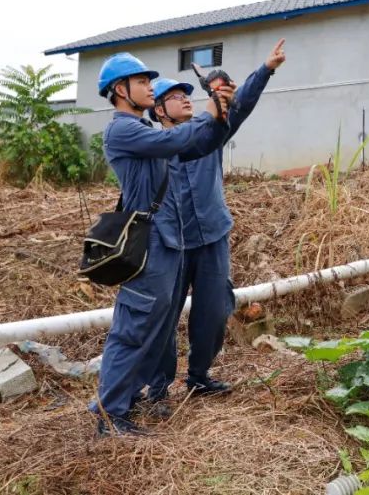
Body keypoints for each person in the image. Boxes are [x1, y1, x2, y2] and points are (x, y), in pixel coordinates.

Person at [89, 51, 232, 437]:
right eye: (141, 82)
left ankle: (122, 398)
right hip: (148, 241)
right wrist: (207, 111)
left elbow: (193, 143)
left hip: (164, 241)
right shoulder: (123, 130)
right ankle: (110, 415)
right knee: (134, 327)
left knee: (153, 325)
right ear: (120, 90)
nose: (150, 87)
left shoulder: (145, 130)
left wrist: (221, 110)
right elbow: (181, 137)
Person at [145, 38, 286, 403]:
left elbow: (239, 108)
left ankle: (199, 376)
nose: (186, 100)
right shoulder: (152, 147)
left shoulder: (208, 134)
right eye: (176, 97)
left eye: (187, 95)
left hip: (212, 238)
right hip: (172, 245)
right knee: (163, 317)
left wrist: (265, 70)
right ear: (159, 110)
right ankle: (158, 388)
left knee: (214, 310)